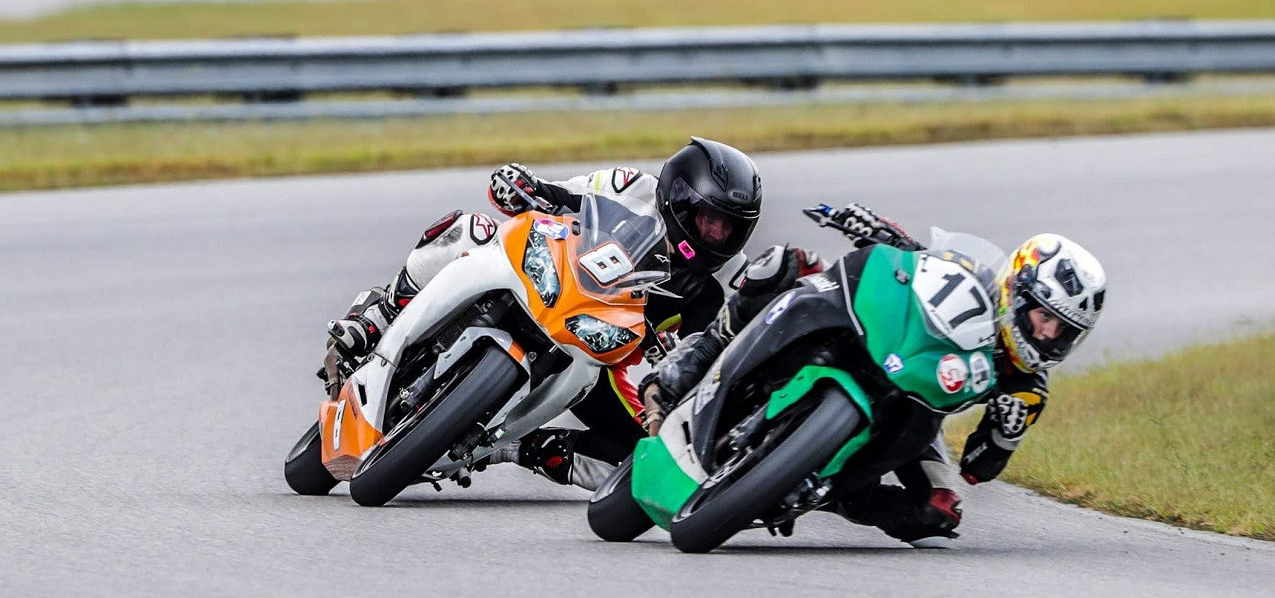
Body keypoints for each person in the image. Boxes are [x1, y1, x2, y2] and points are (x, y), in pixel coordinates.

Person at [322, 138, 818, 490]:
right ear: (679, 197)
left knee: (638, 450)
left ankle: (514, 447)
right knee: (470, 230)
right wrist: (522, 185)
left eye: (729, 229)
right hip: (548, 278)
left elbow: (705, 349)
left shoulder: (713, 290)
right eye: (708, 220)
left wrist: (672, 368)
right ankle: (380, 314)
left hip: (595, 349)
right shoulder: (632, 187)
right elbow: (558, 193)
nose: (715, 236)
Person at [639, 203, 1107, 544]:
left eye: (1063, 331)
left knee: (937, 511)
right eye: (1043, 316)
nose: (1047, 335)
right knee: (783, 265)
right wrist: (877, 231)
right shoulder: (977, 281)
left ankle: (818, 491)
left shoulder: (1027, 389)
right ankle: (694, 362)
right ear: (1015, 288)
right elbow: (921, 262)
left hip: (919, 408)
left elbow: (977, 469)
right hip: (880, 337)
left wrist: (1002, 435)